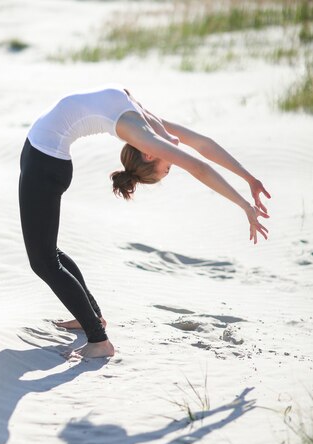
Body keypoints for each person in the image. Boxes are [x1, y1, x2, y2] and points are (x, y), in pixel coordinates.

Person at [19, 84, 270, 359]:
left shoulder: (146, 127)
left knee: (44, 261)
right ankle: (91, 319)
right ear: (149, 154)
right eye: (168, 167)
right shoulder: (149, 132)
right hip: (44, 157)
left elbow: (202, 148)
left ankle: (98, 340)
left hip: (45, 161)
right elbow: (200, 159)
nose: (173, 164)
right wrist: (247, 195)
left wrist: (249, 184)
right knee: (47, 255)